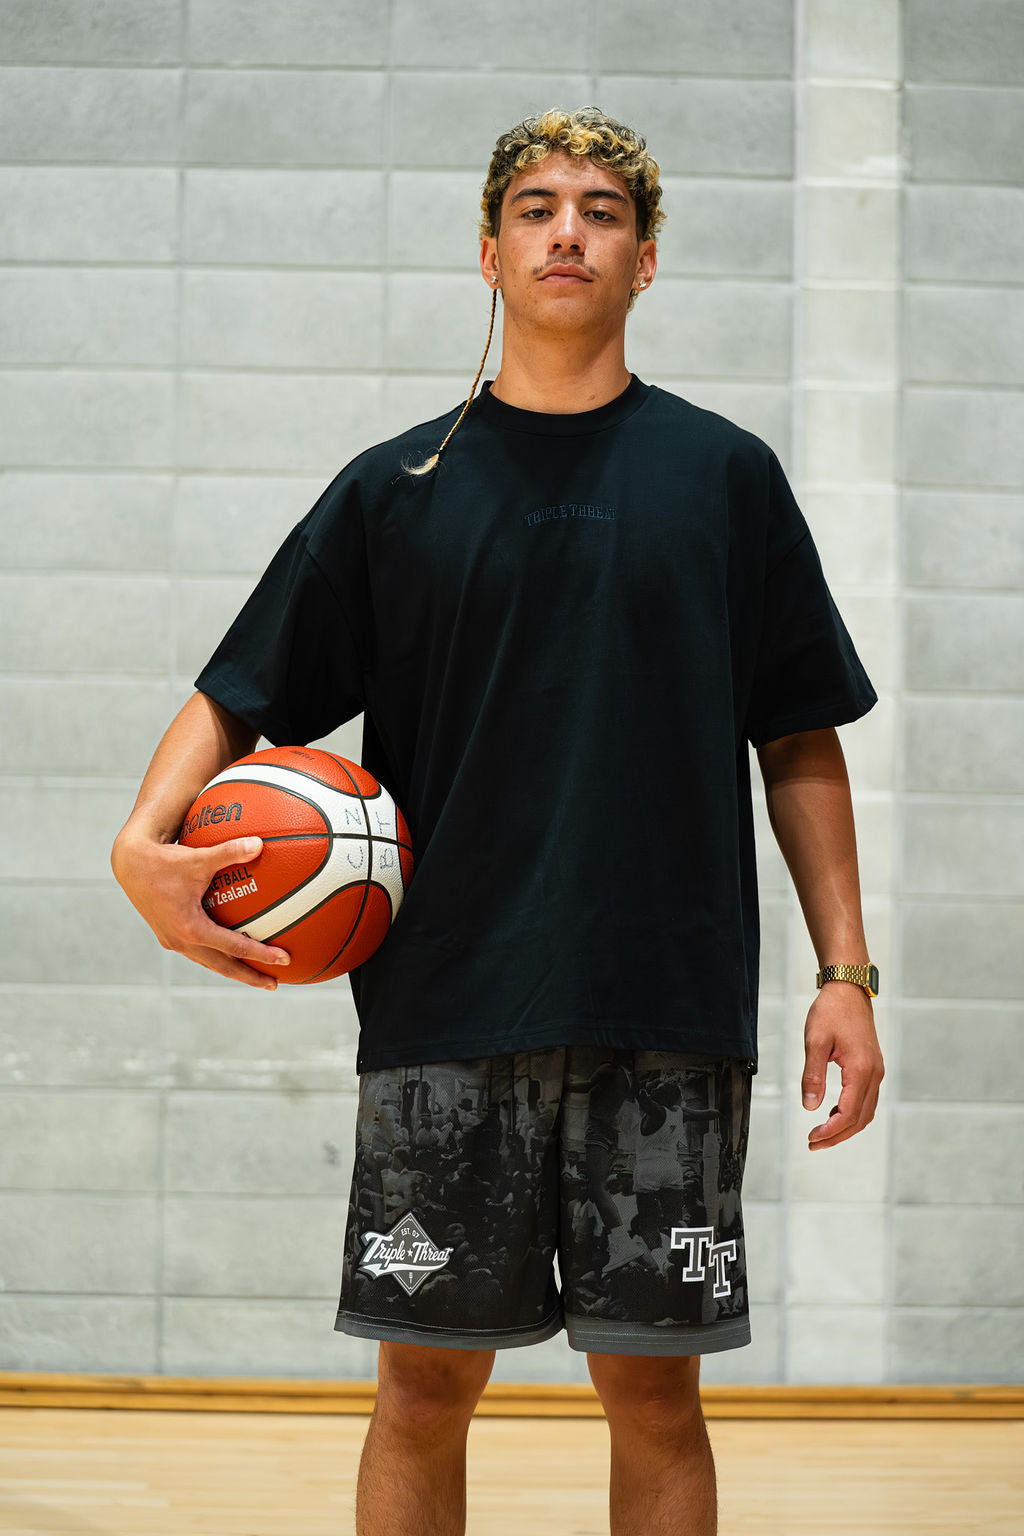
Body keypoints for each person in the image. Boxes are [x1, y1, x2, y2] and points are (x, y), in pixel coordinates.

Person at [111, 106, 885, 1536]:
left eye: (601, 209)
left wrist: (846, 975)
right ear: (489, 250)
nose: (568, 230)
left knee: (657, 1396)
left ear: (645, 260)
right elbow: (238, 689)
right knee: (420, 1390)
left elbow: (801, 735)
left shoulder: (726, 480)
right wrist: (138, 842)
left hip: (668, 1004)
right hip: (449, 1004)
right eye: (536, 208)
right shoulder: (396, 489)